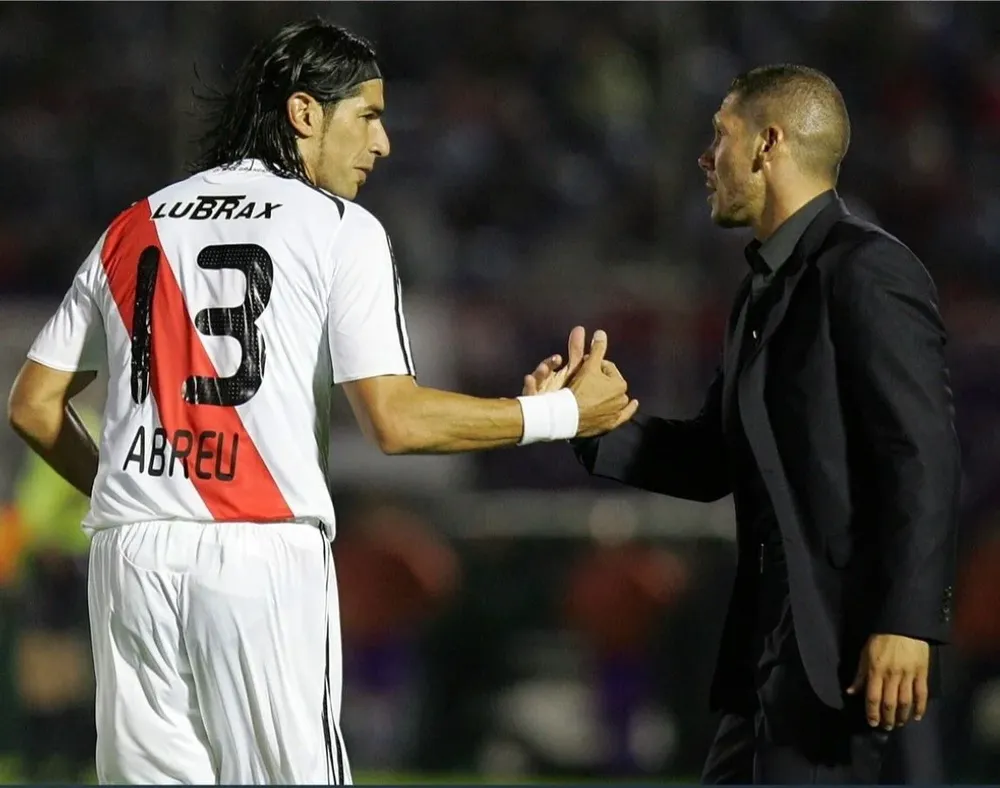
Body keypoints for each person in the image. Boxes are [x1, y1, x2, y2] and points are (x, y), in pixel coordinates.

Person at [5, 19, 637, 785]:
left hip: (130, 554)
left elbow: (35, 406)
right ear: (305, 114)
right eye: (368, 116)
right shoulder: (339, 229)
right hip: (258, 554)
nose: (384, 144)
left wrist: (150, 489)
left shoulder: (134, 224)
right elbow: (395, 422)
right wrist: (561, 416)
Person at [525, 64, 961, 784]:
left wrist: (908, 622)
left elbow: (922, 454)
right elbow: (711, 461)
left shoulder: (867, 270)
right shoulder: (763, 290)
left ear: (768, 145)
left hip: (849, 658)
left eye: (720, 135)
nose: (706, 157)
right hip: (771, 658)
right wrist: (579, 422)